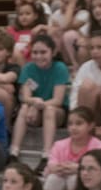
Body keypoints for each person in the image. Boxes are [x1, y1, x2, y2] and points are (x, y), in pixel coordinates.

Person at [9, 34, 69, 164]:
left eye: (43, 52)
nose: (39, 56)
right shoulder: (28, 68)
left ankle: (46, 154)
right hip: (34, 111)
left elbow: (57, 100)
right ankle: (14, 151)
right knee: (24, 108)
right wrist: (33, 104)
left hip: (56, 112)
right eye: (35, 52)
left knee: (49, 109)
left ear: (52, 52)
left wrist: (36, 105)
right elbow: (26, 97)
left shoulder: (60, 68)